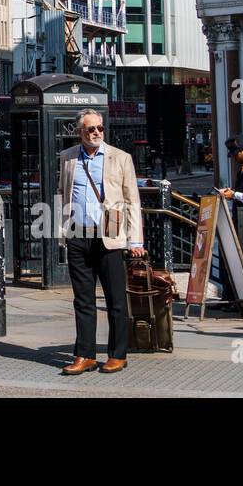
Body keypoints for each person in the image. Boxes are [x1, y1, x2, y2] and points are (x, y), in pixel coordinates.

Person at [58, 108, 145, 376]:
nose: (96, 133)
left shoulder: (120, 158)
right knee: (82, 300)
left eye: (100, 128)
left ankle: (118, 355)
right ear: (79, 132)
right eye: (90, 129)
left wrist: (135, 240)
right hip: (78, 234)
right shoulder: (68, 157)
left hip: (110, 232)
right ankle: (85, 355)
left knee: (115, 299)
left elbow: (132, 201)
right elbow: (63, 192)